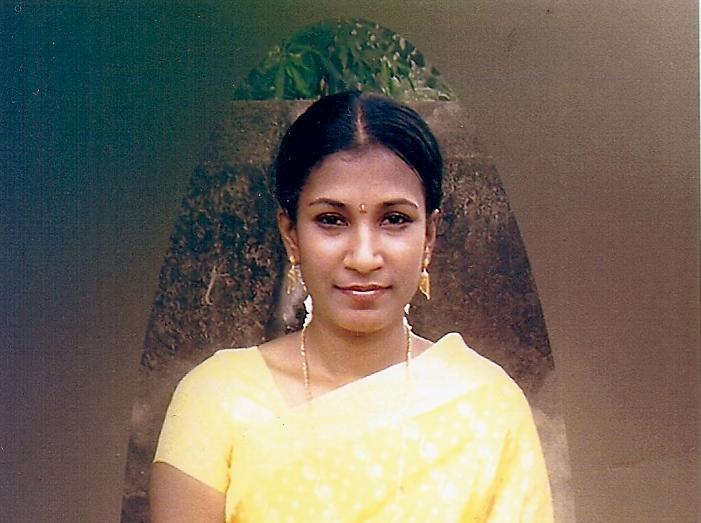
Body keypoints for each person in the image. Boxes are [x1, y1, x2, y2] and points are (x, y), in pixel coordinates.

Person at [150, 91, 553, 522]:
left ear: (429, 237)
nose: (363, 257)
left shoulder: (487, 406)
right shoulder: (218, 399)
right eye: (331, 220)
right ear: (290, 233)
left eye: (394, 219)